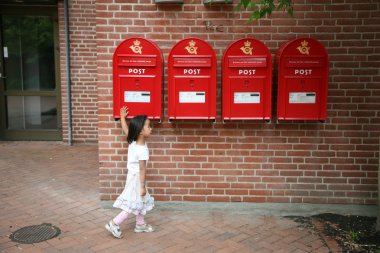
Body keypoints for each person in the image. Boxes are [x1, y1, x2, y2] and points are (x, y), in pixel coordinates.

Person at [105, 106, 155, 239]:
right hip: (137, 180)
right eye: (148, 126)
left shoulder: (133, 141)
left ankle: (140, 224)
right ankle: (114, 223)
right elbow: (142, 169)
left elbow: (126, 130)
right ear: (140, 132)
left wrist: (122, 117)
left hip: (133, 177)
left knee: (141, 201)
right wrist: (143, 186)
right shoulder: (142, 150)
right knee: (132, 204)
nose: (151, 128)